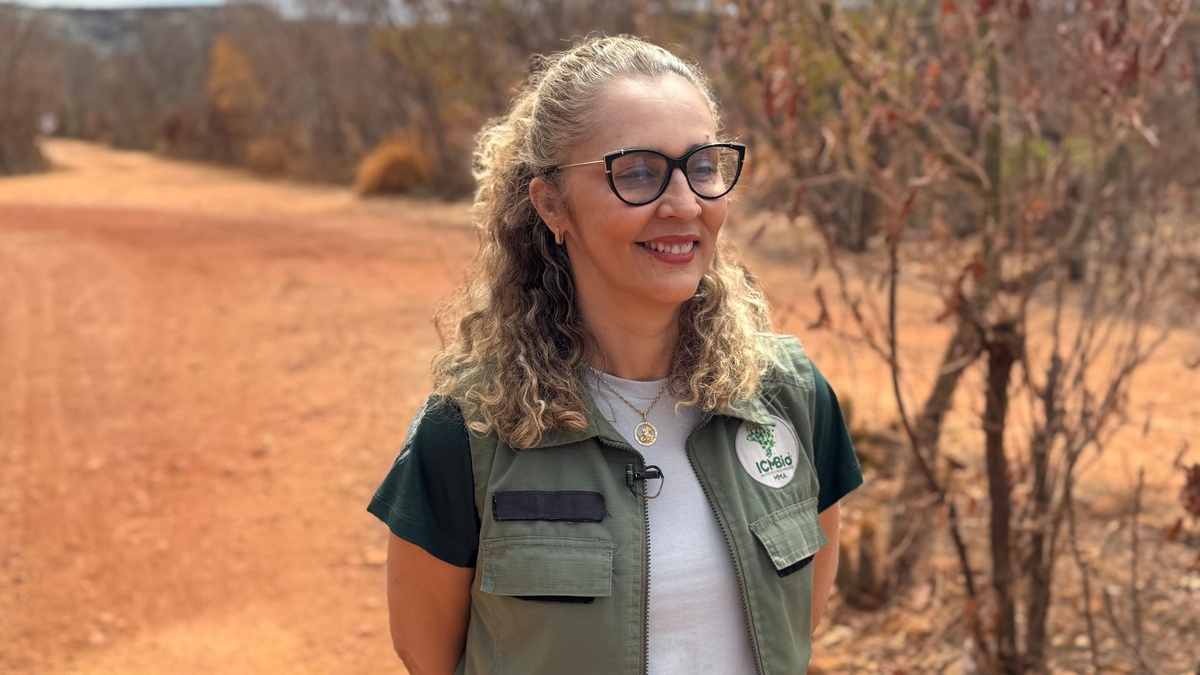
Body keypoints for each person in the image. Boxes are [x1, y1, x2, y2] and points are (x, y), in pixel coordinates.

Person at [368, 35, 862, 675]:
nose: (683, 205)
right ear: (550, 203)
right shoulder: (469, 429)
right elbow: (426, 651)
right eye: (637, 172)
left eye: (703, 167)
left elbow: (800, 618)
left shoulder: (790, 397)